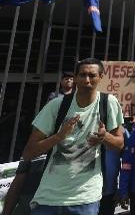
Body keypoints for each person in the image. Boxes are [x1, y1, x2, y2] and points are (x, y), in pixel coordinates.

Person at [21, 58, 124, 215]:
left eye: (92, 75)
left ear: (101, 77)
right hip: (48, 197)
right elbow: (28, 153)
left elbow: (119, 144)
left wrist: (104, 137)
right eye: (82, 75)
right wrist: (59, 136)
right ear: (75, 78)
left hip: (85, 198)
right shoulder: (56, 105)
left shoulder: (108, 103)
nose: (87, 80)